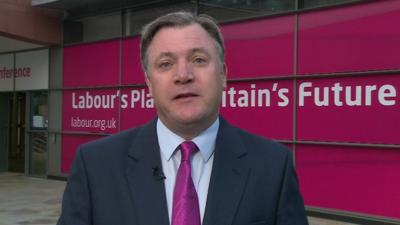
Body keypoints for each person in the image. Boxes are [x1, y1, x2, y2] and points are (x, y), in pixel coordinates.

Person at [57, 11, 309, 225]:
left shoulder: (274, 166)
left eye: (198, 60)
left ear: (223, 75)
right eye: (165, 64)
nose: (183, 75)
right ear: (148, 82)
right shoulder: (95, 166)